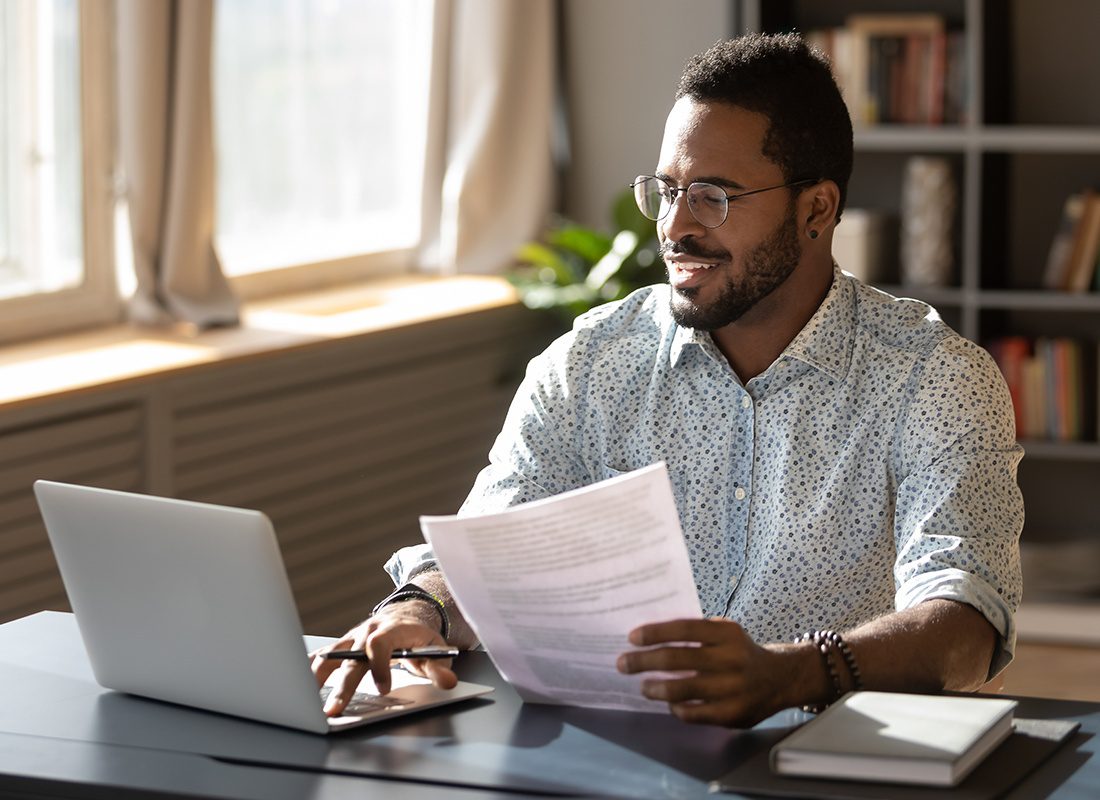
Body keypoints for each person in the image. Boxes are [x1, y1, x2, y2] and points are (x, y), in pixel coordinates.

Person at [311, 32, 1023, 727]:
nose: (676, 226)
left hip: (828, 759)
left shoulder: (935, 378)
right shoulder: (593, 360)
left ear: (816, 209)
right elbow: (489, 550)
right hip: (616, 755)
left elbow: (968, 619)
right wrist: (418, 608)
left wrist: (792, 675)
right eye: (668, 188)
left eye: (715, 195)